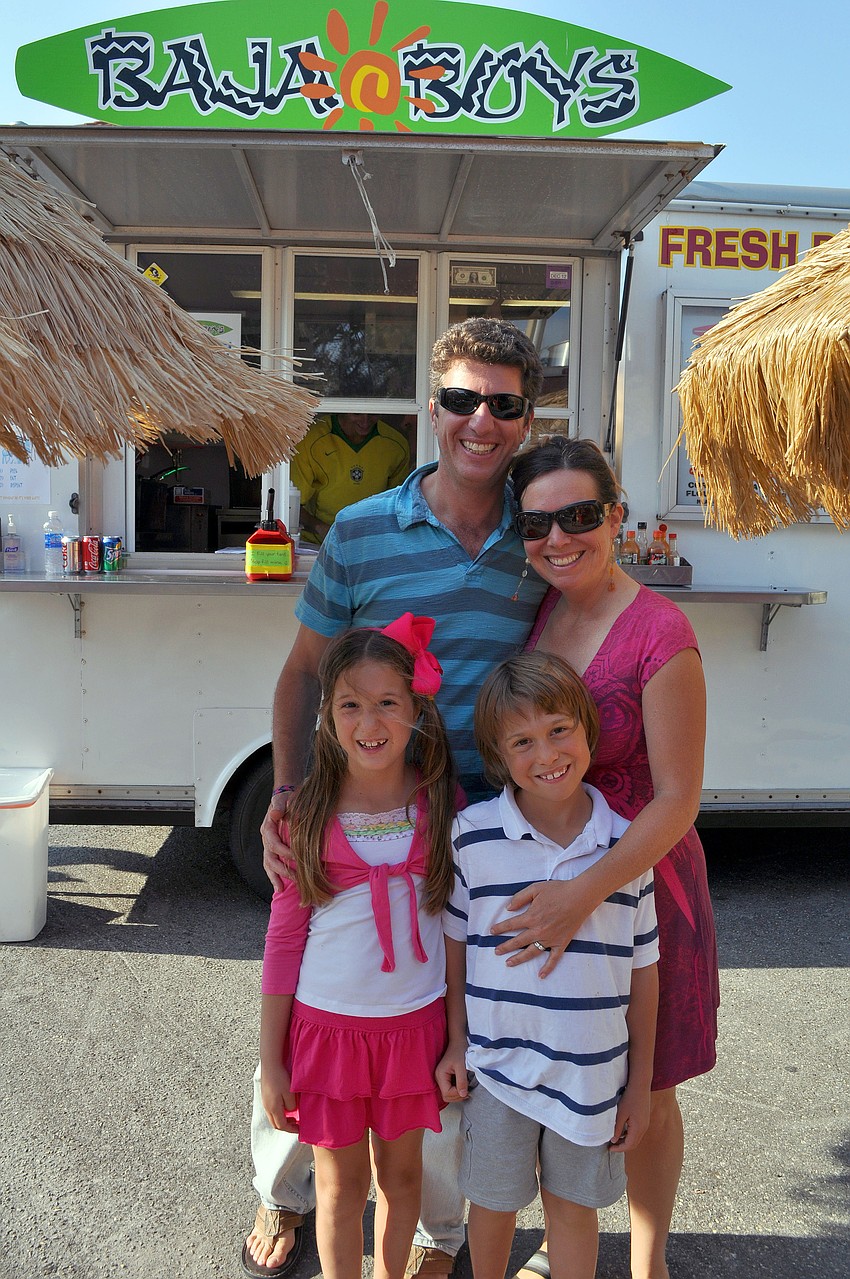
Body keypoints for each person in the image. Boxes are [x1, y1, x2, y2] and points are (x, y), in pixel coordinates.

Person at [244, 316, 549, 1278]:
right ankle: (282, 1196)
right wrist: (289, 790)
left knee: (440, 1035)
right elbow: (302, 670)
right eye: (462, 398)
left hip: (476, 829)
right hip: (354, 806)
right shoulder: (367, 528)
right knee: (321, 1010)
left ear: (526, 418)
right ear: (433, 406)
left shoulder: (538, 540)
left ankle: (433, 1230)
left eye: (502, 404)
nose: (480, 421)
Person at [503, 437, 719, 1279]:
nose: (560, 537)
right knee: (573, 1077)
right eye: (539, 522)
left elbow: (677, 797)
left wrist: (580, 893)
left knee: (650, 1089)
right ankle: (571, 1247)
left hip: (645, 888)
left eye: (581, 516)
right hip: (557, 887)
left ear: (616, 517)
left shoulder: (663, 631)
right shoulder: (542, 612)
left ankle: (649, 1263)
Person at [438, 651, 659, 1279]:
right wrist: (456, 1043)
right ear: (499, 757)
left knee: (572, 1211)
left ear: (587, 729)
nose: (547, 754)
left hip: (592, 1078)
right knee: (493, 1204)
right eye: (523, 741)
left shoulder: (626, 845)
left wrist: (637, 1086)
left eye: (559, 729)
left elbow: (645, 974)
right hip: (498, 1069)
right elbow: (456, 946)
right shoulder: (472, 838)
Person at [259, 617, 457, 1279]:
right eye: (350, 703)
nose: (369, 721)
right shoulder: (306, 812)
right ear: (326, 715)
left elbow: (457, 930)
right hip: (327, 1037)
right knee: (339, 1187)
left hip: (413, 1031)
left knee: (403, 1178)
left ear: (416, 710)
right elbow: (284, 941)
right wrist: (272, 1059)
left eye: (386, 702)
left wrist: (456, 1038)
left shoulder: (440, 804)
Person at [292, 412, 410, 544]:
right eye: (357, 413)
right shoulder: (310, 439)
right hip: (317, 544)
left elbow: (399, 505)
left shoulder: (396, 445)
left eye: (372, 414)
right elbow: (291, 505)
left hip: (372, 544)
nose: (365, 422)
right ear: (343, 409)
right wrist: (321, 528)